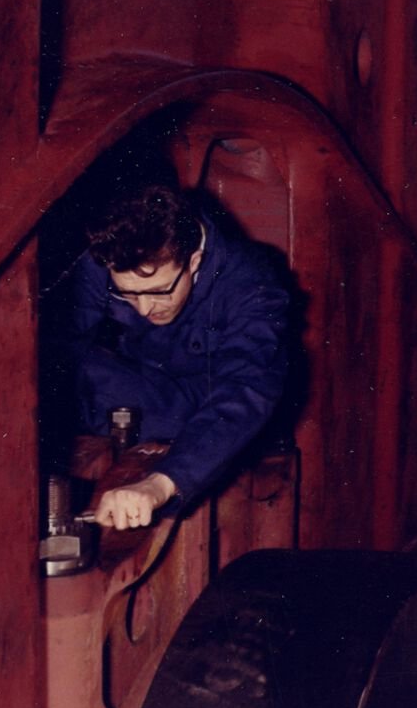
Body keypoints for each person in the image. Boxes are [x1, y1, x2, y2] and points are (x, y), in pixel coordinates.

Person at [62, 182, 291, 531]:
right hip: (134, 389)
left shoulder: (252, 282)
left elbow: (245, 391)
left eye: (158, 292)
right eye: (127, 296)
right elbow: (65, 343)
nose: (143, 308)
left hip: (209, 413)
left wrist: (161, 483)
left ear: (194, 260)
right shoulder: (105, 260)